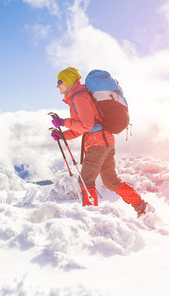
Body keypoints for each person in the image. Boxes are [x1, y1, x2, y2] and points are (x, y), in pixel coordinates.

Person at [51, 67, 152, 217]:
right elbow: (83, 128)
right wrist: (63, 135)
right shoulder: (77, 97)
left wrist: (64, 122)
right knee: (110, 181)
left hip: (98, 143)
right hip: (104, 141)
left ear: (69, 80)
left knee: (85, 180)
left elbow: (87, 125)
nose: (57, 85)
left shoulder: (79, 97)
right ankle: (141, 206)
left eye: (60, 81)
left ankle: (91, 217)